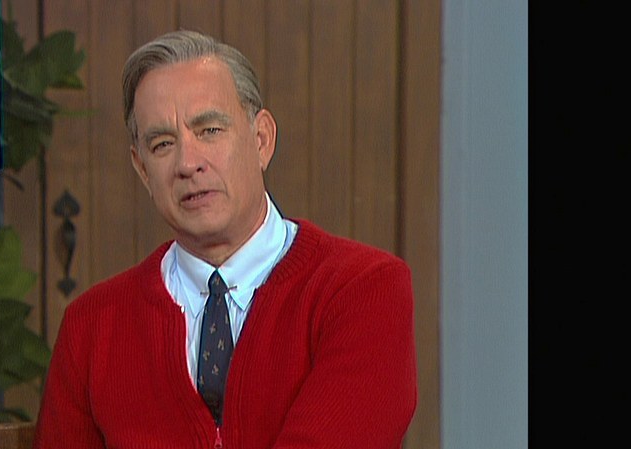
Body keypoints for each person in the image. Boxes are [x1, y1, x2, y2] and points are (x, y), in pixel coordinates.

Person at [33, 30, 417, 449]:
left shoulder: (363, 290)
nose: (188, 163)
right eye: (163, 144)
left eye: (210, 130)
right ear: (142, 169)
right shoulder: (92, 326)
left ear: (261, 140)